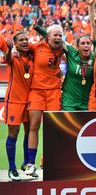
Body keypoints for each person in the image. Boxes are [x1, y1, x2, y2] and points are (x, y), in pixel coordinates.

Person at [25, 23, 65, 176]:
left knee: (53, 129)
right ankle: (30, 163)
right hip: (36, 91)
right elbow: (22, 48)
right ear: (47, 36)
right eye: (55, 34)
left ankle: (47, 160)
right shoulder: (37, 46)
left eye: (60, 35)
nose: (58, 37)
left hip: (54, 92)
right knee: (34, 127)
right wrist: (14, 51)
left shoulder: (62, 48)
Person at [3, 32, 34, 180]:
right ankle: (12, 168)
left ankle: (27, 164)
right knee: (13, 134)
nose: (25, 42)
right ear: (15, 44)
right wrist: (9, 50)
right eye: (21, 40)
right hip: (14, 101)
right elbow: (7, 58)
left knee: (29, 134)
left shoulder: (33, 59)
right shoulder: (13, 56)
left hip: (30, 102)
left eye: (26, 39)